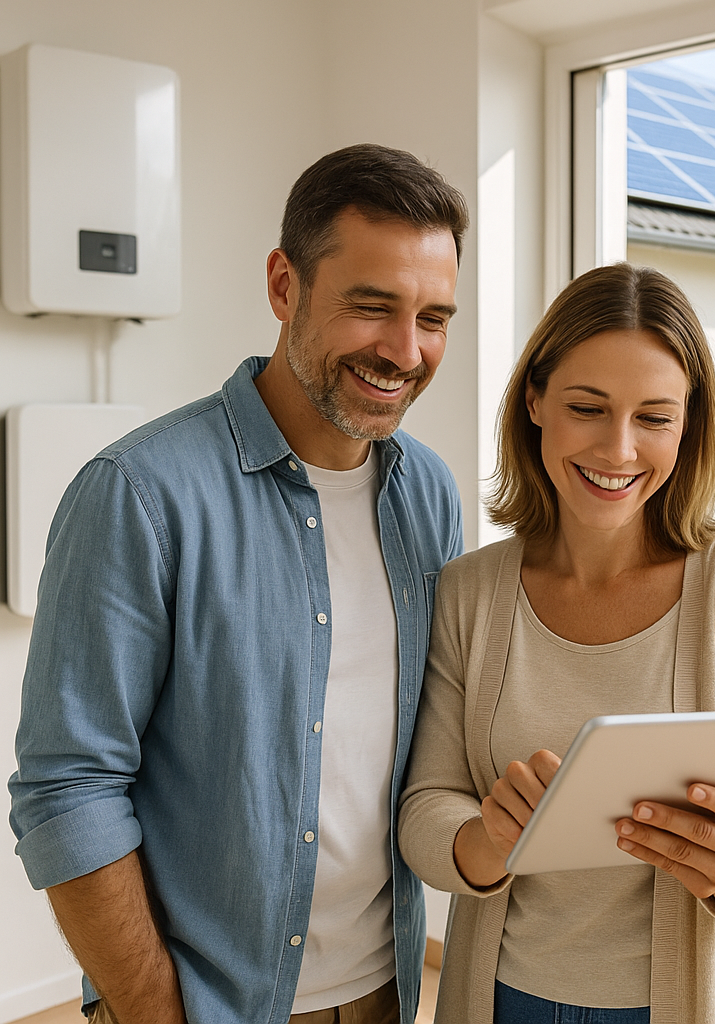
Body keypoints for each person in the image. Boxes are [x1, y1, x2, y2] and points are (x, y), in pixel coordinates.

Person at [9, 144, 468, 1024]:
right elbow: (67, 788)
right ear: (284, 286)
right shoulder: (140, 494)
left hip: (387, 991)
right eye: (371, 307)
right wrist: (152, 1010)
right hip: (203, 1005)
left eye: (434, 317)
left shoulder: (430, 496)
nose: (405, 350)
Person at [398, 262, 715, 1024]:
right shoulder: (469, 591)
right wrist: (488, 839)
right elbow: (426, 808)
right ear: (535, 400)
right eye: (587, 407)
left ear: (689, 423)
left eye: (654, 417)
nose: (619, 450)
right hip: (502, 999)